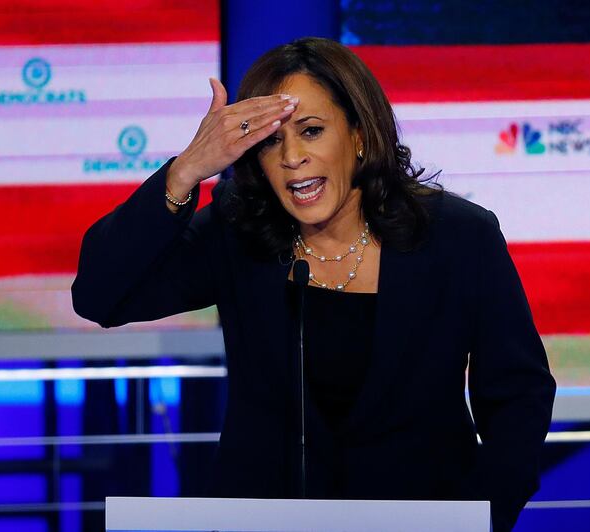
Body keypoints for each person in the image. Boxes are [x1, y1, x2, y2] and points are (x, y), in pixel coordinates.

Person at [71, 37, 556, 531]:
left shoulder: (456, 236)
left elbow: (519, 394)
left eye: (312, 131)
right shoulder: (238, 234)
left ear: (360, 135)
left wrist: (481, 518)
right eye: (272, 141)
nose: (292, 157)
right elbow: (99, 296)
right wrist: (185, 171)